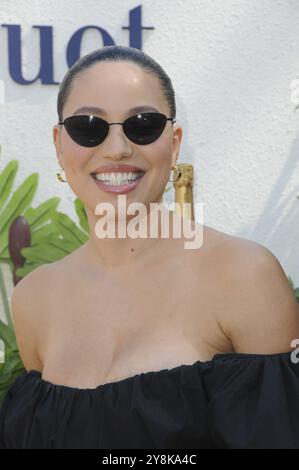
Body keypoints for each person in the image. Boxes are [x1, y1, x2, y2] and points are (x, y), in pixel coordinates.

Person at [0, 45, 299, 449]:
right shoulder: (34, 300)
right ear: (60, 143)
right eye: (89, 125)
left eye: (143, 124)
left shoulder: (243, 277)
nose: (118, 148)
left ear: (173, 143)